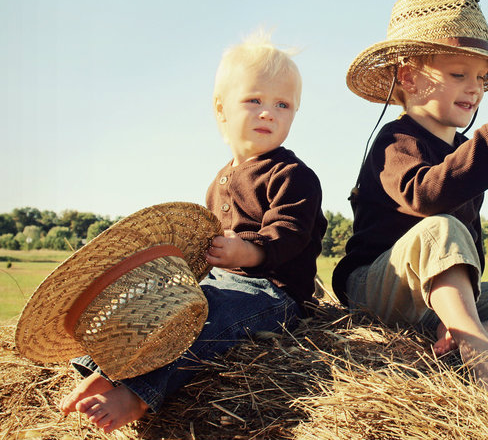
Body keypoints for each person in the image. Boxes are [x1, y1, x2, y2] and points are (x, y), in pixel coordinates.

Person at [57, 31, 327, 432]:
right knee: (166, 303)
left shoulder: (294, 176)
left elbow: (290, 235)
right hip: (223, 280)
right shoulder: (221, 178)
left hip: (273, 292)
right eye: (254, 100)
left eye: (282, 105)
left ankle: (138, 393)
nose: (268, 112)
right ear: (221, 110)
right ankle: (106, 366)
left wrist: (247, 252)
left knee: (209, 320)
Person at [332, 0, 488, 394]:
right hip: (380, 285)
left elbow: (465, 219)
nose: (475, 88)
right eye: (458, 74)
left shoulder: (463, 152)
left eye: (481, 78)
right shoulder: (396, 141)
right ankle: (482, 356)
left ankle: (471, 336)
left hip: (437, 299)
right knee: (440, 228)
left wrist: (480, 149)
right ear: (409, 78)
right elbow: (427, 197)